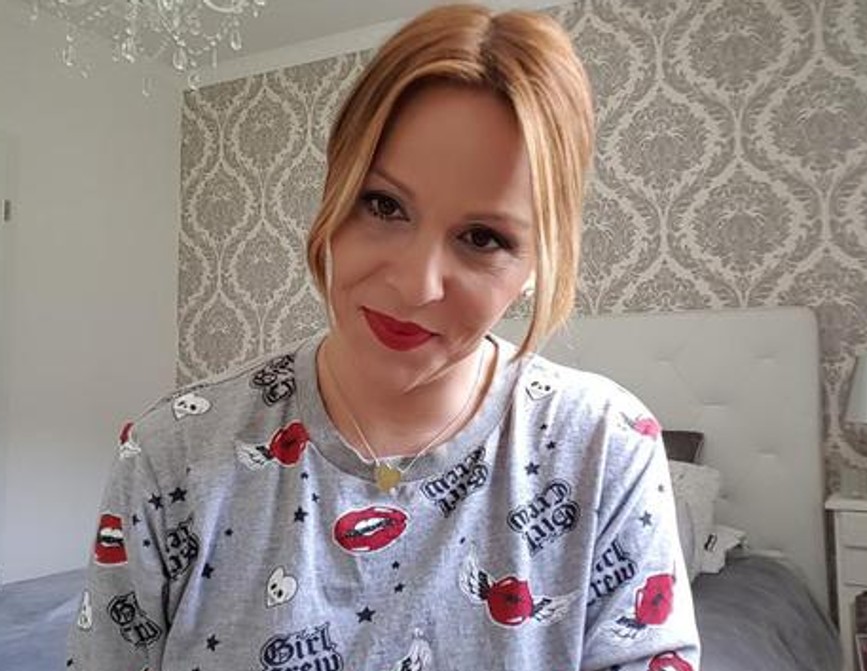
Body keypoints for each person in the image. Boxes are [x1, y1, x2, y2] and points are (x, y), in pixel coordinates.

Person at [66, 4, 700, 670]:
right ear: (334, 190)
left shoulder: (605, 449)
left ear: (539, 264)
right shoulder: (173, 451)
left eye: (482, 238)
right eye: (384, 204)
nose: (416, 285)